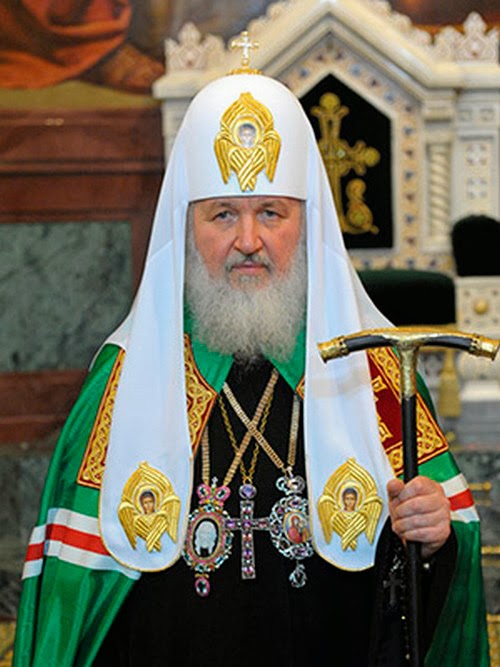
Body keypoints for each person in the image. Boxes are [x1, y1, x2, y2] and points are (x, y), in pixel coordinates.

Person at [13, 46, 490, 667]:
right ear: (186, 228)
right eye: (223, 215)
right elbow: (73, 597)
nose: (248, 240)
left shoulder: (372, 369)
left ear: (307, 224)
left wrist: (434, 539)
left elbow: (441, 555)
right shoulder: (126, 379)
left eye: (270, 213)